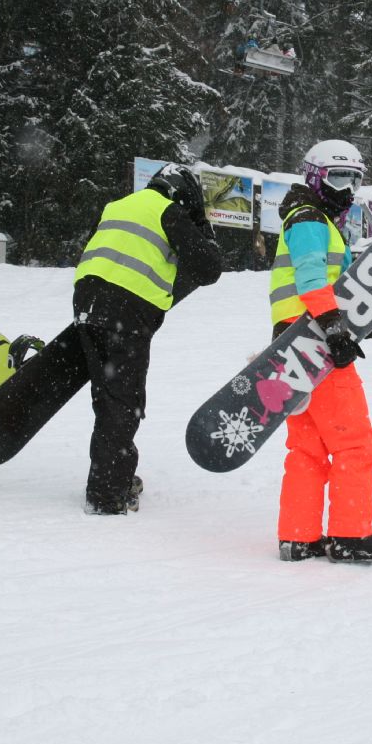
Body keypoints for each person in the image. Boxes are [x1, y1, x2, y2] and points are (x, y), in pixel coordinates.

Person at [272, 140, 372, 563]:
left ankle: (299, 535)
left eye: (354, 180)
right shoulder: (311, 220)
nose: (346, 189)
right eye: (337, 177)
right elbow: (311, 280)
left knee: (307, 449)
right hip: (314, 342)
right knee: (354, 444)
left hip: (292, 341)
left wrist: (370, 320)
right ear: (314, 176)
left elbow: (328, 286)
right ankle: (349, 533)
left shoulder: (308, 217)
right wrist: (334, 328)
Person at [72, 164, 223, 514]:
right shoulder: (168, 212)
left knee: (107, 398)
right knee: (125, 403)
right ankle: (108, 494)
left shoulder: (118, 205)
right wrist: (202, 227)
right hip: (126, 311)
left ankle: (110, 477)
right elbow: (209, 269)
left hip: (86, 301)